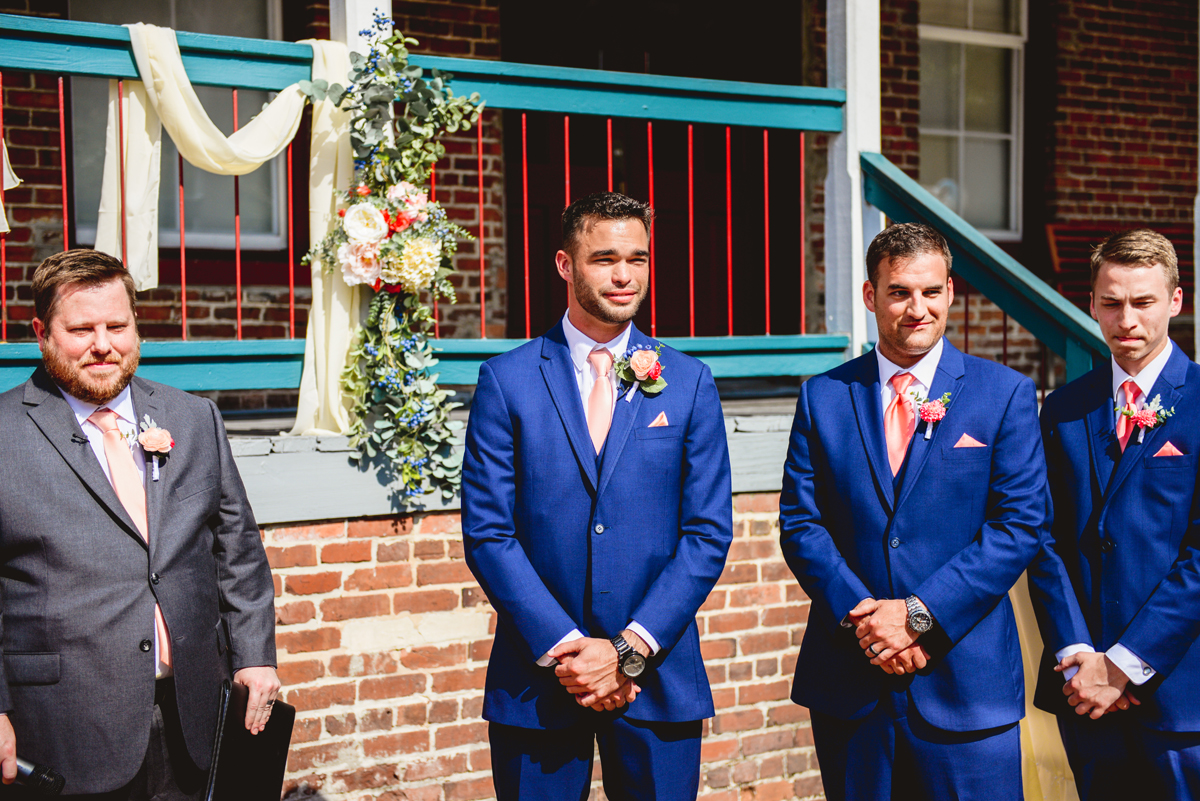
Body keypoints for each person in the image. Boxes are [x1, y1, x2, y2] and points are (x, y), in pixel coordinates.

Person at [461, 192, 733, 800]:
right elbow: (488, 532)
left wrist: (629, 652)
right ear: (565, 265)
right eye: (604, 258)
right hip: (539, 679)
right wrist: (568, 652)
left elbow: (708, 534)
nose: (623, 275)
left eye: (637, 259)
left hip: (655, 677)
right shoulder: (506, 380)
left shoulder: (689, 381)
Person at [777, 223, 1047, 800]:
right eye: (899, 292)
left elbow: (1020, 524)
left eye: (929, 291)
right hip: (852, 680)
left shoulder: (1004, 394)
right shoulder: (823, 396)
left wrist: (919, 615)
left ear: (951, 291)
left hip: (966, 683)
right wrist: (866, 620)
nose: (916, 308)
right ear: (872, 296)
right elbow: (802, 524)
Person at [0, 249, 280, 798]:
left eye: (117, 325)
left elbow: (237, 549)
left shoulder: (194, 418)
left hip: (195, 719)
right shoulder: (4, 433)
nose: (103, 345)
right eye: (81, 328)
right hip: (62, 729)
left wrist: (255, 656)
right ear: (41, 332)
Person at [1028, 228, 1200, 800]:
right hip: (1085, 692)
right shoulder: (1064, 407)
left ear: (1176, 301)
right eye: (1111, 302)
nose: (1127, 318)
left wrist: (1124, 664)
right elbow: (1044, 539)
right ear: (1093, 303)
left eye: (1144, 301)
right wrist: (1080, 657)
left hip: (1179, 694)